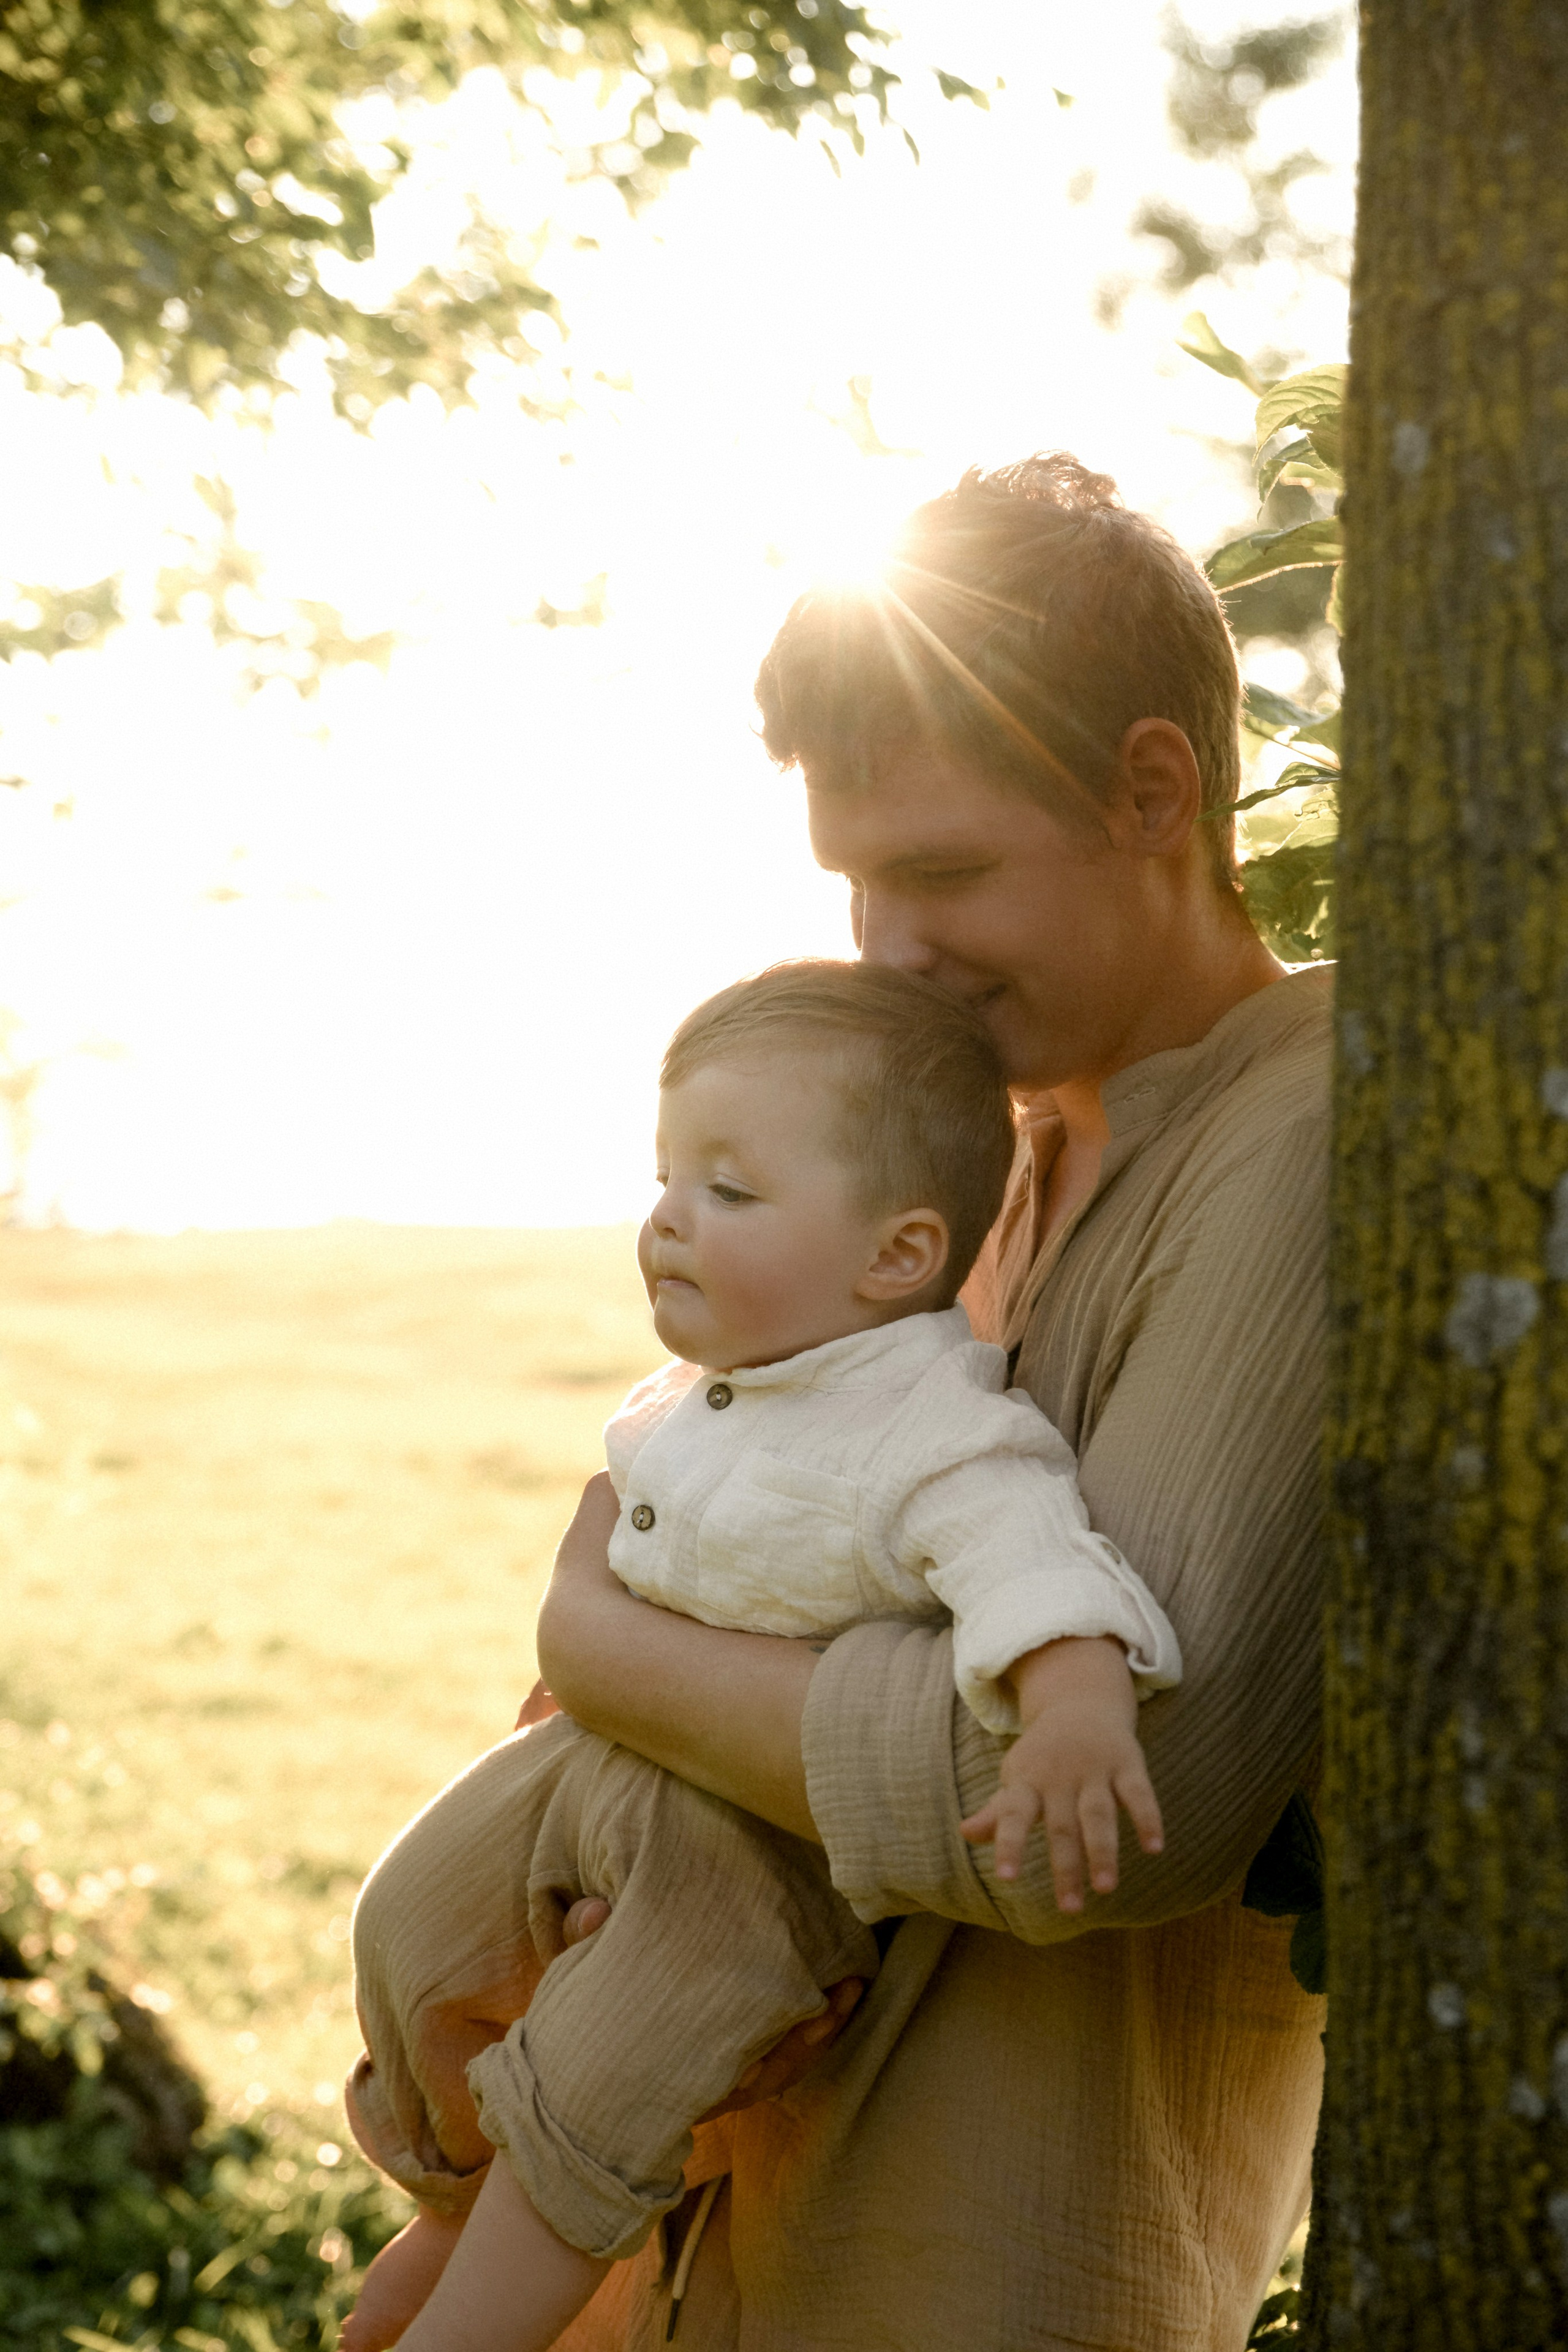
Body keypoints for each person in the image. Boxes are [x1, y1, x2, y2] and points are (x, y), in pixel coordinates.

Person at [361, 449, 1331, 2351]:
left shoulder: (1307, 1136)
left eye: (946, 869)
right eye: (859, 881)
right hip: (725, 2206)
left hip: (986, 2263)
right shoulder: (984, 1154)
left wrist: (603, 1640)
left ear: (1157, 790)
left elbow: (1111, 1794)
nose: (889, 946)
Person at [344, 959, 1182, 2352]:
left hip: (754, 1837)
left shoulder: (936, 1430)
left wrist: (1073, 1710)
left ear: (898, 1257)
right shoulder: (707, 1384)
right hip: (598, 1754)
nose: (666, 1218)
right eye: (666, 1175)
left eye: (727, 1193)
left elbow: (1032, 1562)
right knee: (410, 1918)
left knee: (615, 2056)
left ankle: (472, 2324)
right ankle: (455, 2192)